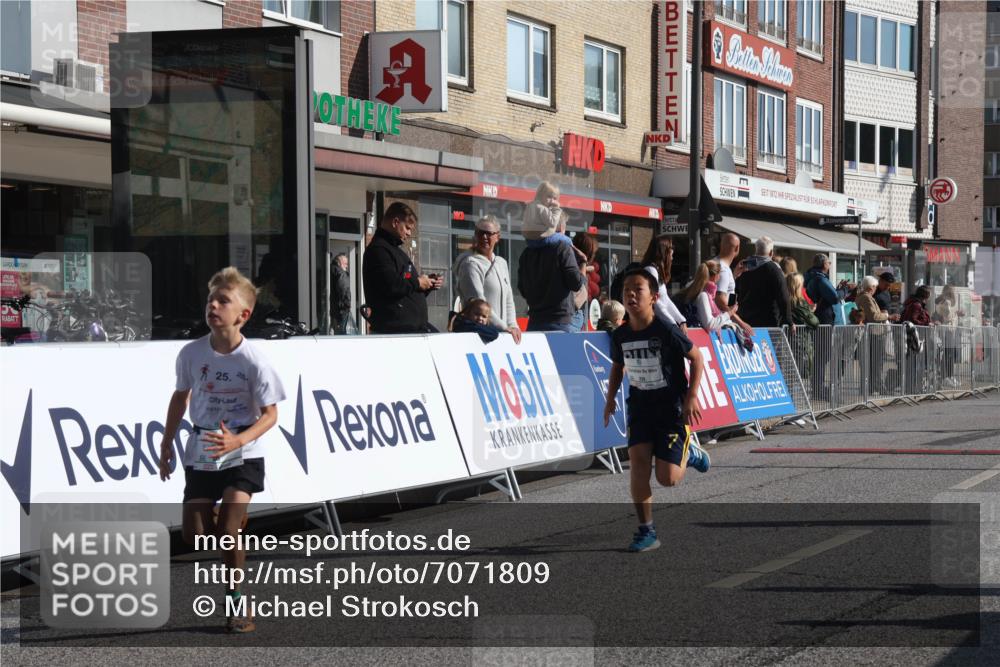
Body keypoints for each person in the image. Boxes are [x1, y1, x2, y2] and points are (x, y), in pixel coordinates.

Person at [158, 267, 286, 634]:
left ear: (243, 315)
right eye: (210, 300)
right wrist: (167, 443)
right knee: (193, 536)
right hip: (202, 447)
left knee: (227, 532)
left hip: (243, 448)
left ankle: (236, 601)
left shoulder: (254, 361)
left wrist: (239, 441)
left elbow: (271, 414)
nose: (213, 306)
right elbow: (180, 398)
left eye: (223, 301)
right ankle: (230, 518)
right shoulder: (191, 353)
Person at [602, 269, 710, 553]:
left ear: (654, 297)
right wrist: (610, 398)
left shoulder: (666, 329)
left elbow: (697, 358)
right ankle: (646, 531)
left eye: (638, 289)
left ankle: (691, 452)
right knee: (637, 464)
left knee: (668, 479)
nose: (631, 294)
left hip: (670, 408)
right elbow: (617, 366)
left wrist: (691, 397)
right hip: (639, 407)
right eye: (627, 290)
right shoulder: (621, 334)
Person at [362, 202, 444, 334]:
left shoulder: (394, 250)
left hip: (409, 329)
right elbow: (391, 286)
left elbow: (405, 289)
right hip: (395, 332)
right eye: (407, 228)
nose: (409, 233)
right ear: (395, 222)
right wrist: (418, 282)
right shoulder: (379, 250)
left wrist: (427, 285)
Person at [452, 215, 521, 343]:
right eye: (480, 233)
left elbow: (508, 299)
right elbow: (478, 302)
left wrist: (512, 325)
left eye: (488, 233)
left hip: (502, 335)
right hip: (481, 336)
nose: (484, 237)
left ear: (497, 237)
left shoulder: (501, 263)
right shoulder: (470, 264)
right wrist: (504, 327)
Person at [517, 206, 585, 332]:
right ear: (560, 227)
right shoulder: (563, 247)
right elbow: (576, 284)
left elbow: (522, 289)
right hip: (560, 321)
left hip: (535, 321)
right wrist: (582, 265)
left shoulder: (527, 253)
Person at [734, 236, 793, 329]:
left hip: (744, 320)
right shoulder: (773, 269)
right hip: (768, 322)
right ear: (771, 253)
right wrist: (788, 320)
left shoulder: (743, 266)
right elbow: (783, 296)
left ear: (756, 250)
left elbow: (734, 290)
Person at [856, 275, 898, 395]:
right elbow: (874, 316)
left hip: (873, 333)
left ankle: (872, 387)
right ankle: (875, 387)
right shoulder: (866, 298)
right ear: (872, 287)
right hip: (874, 333)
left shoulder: (865, 296)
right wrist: (888, 316)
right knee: (875, 362)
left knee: (874, 362)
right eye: (875, 287)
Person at [641, 234, 688, 332]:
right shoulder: (650, 270)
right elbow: (655, 302)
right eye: (671, 247)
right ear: (663, 250)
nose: (673, 251)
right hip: (652, 326)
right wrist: (672, 324)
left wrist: (681, 320)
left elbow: (665, 299)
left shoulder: (656, 270)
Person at [570, 231, 600, 332]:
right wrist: (584, 265)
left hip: (576, 317)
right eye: (594, 253)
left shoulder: (570, 262)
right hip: (572, 318)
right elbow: (579, 285)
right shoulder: (576, 265)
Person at [804, 253, 842, 326]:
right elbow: (835, 297)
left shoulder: (811, 276)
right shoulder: (821, 279)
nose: (830, 265)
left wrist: (837, 289)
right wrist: (845, 290)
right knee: (825, 337)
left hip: (816, 314)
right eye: (829, 263)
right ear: (824, 264)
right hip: (824, 316)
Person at [711, 232, 741, 321]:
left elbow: (724, 288)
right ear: (737, 248)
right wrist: (740, 322)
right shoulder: (723, 269)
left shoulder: (715, 262)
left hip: (719, 321)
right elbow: (719, 300)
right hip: (721, 323)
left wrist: (734, 275)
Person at [330, 253, 353, 334]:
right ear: (339, 263)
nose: (347, 266)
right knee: (342, 335)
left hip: (332, 310)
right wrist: (347, 306)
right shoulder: (341, 273)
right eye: (345, 264)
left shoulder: (329, 270)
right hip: (341, 312)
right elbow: (343, 290)